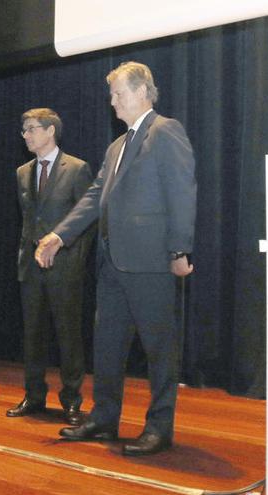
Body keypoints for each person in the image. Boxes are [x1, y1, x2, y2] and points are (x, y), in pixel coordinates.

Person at [35, 61, 196, 456]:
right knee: (106, 346)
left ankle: (160, 427)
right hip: (112, 263)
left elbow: (182, 192)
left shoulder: (165, 131)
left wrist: (179, 249)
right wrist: (59, 234)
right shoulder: (117, 145)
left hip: (151, 262)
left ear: (142, 91)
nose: (112, 102)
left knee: (159, 349)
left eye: (118, 93)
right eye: (111, 94)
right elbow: (94, 198)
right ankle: (104, 418)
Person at [7, 108, 93, 425]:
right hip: (31, 269)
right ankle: (34, 396)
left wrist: (72, 260)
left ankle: (71, 400)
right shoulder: (22, 172)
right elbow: (28, 222)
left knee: (68, 335)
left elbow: (88, 221)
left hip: (64, 267)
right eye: (24, 129)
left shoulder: (77, 169)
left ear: (50, 131)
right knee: (32, 335)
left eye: (31, 129)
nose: (25, 135)